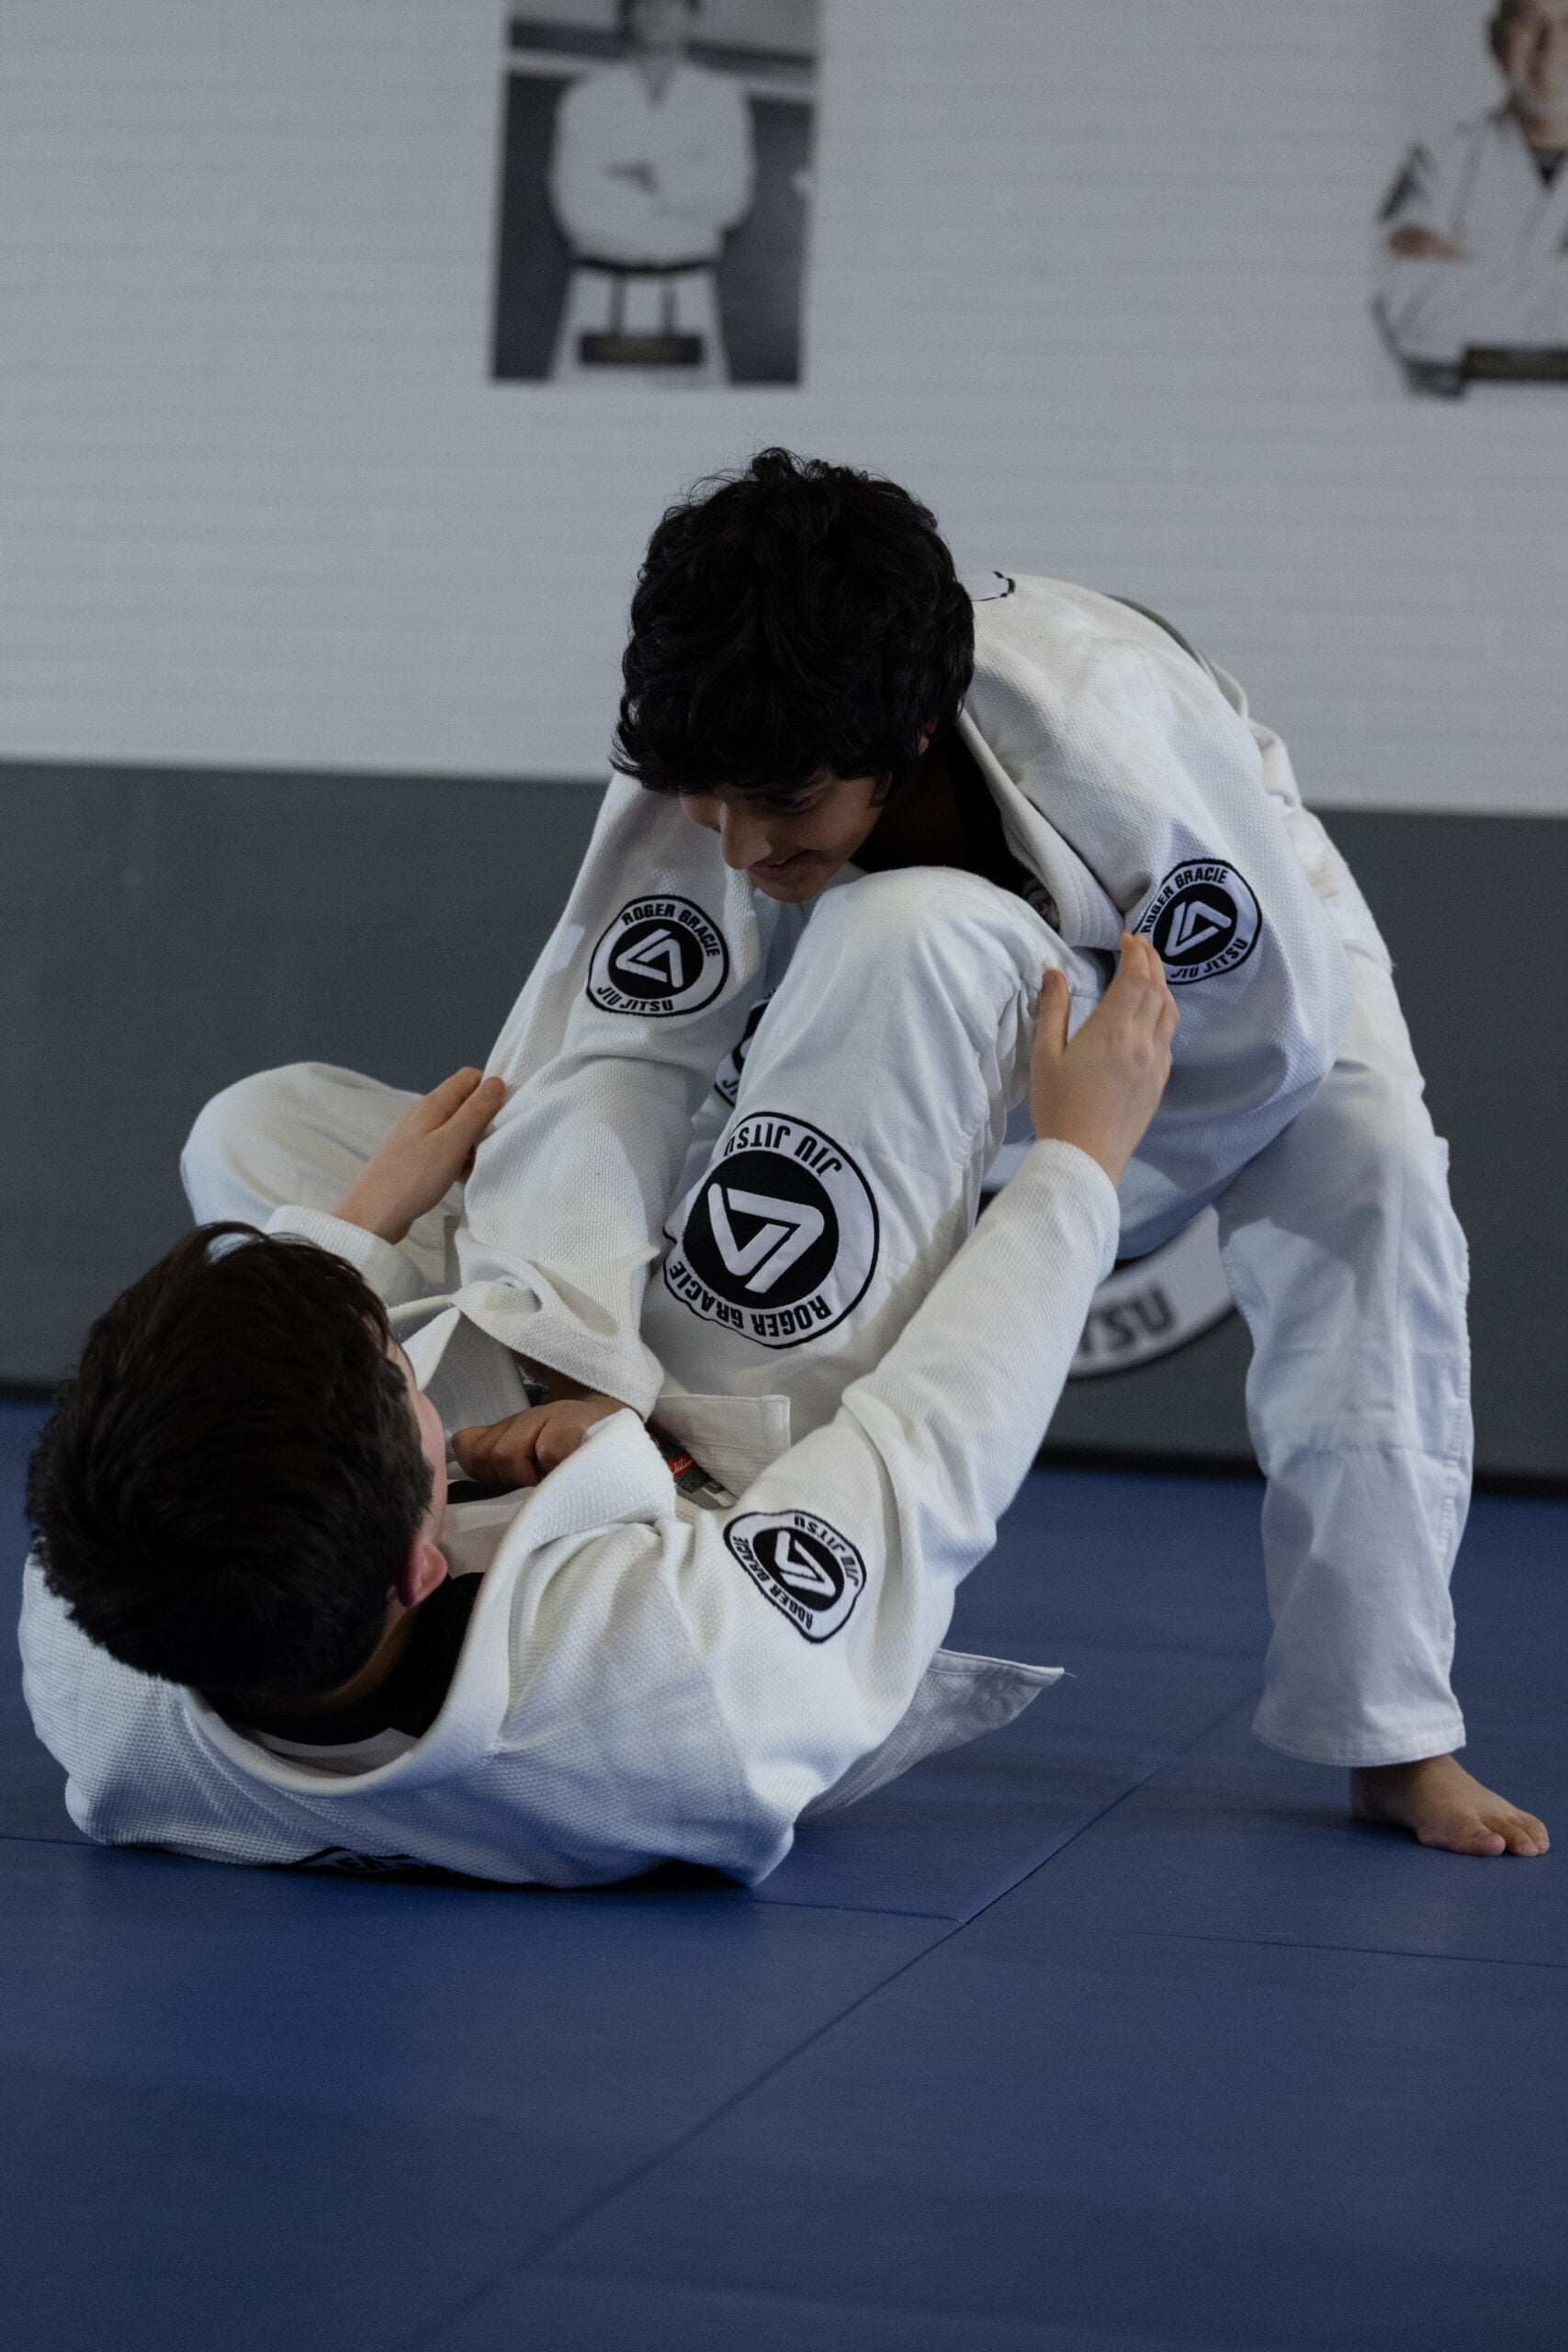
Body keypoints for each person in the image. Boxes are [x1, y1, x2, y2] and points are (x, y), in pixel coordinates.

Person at [430, 447, 1538, 1861]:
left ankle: (1394, 1730)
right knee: (702, 1120)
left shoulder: (1124, 765)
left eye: (784, 810)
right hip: (889, 994)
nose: (745, 844)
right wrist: (575, 1357)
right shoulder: (716, 739)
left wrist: (1050, 1208)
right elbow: (607, 1061)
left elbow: (1266, 1059)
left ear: (898, 745)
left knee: (1374, 1180)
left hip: (1186, 990)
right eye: (716, 809)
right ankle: (726, 1553)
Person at [21, 929, 1176, 1885]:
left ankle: (607, 1218)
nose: (400, 1364)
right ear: (425, 1563)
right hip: (727, 1480)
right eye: (396, 1381)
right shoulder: (694, 1675)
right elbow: (932, 1440)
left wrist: (366, 1219)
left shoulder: (103, 1635)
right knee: (914, 941)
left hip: (529, 1492)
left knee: (250, 1130)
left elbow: (242, 1418)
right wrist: (1080, 1161)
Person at [547, 0, 754, 386]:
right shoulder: (586, 98)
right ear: (626, 13)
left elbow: (731, 198)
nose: (658, 12)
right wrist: (688, 191)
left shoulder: (721, 98)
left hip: (687, 298)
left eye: (672, 2)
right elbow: (576, 207)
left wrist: (648, 178)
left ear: (694, 15)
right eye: (645, 2)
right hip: (601, 295)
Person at [1376, 0, 1568, 391]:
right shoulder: (1439, 162)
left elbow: (1439, 306)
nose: (1551, 44)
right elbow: (1405, 307)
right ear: (1496, 38)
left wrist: (1468, 274)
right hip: (1457, 431)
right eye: (1531, 22)